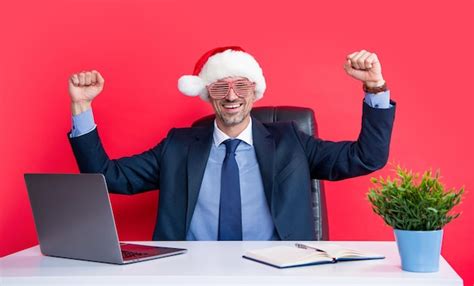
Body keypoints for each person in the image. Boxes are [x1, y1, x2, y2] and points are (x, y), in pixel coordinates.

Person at [68, 46, 395, 241]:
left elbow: (366, 157)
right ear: (208, 94)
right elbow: (108, 176)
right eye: (221, 88)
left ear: (255, 91)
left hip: (276, 275)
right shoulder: (178, 146)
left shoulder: (291, 141)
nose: (233, 96)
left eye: (241, 86)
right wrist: (82, 107)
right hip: (190, 274)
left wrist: (375, 88)